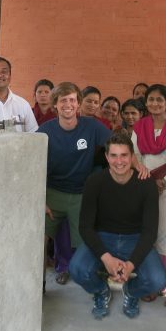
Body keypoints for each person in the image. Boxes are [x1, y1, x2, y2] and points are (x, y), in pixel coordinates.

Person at [69, 131, 166, 320]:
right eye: (113, 155)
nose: (119, 161)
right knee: (77, 269)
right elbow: (85, 227)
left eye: (124, 155)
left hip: (135, 238)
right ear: (106, 157)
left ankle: (131, 291)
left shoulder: (146, 184)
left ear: (132, 157)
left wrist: (131, 265)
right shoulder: (94, 181)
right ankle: (101, 290)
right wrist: (106, 258)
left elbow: (150, 232)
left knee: (158, 280)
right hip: (103, 236)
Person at [38, 82, 113, 287]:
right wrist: (39, 199)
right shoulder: (45, 130)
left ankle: (95, 286)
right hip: (52, 193)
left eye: (72, 100)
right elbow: (31, 165)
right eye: (63, 100)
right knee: (38, 239)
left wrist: (136, 165)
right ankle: (38, 287)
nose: (68, 104)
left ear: (78, 104)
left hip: (81, 194)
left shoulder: (91, 126)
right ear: (55, 104)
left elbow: (117, 144)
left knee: (87, 243)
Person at [131, 84, 166, 307]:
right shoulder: (140, 126)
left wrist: (165, 181)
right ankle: (153, 285)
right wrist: (145, 177)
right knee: (147, 234)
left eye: (160, 99)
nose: (155, 103)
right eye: (151, 99)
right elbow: (134, 155)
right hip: (144, 185)